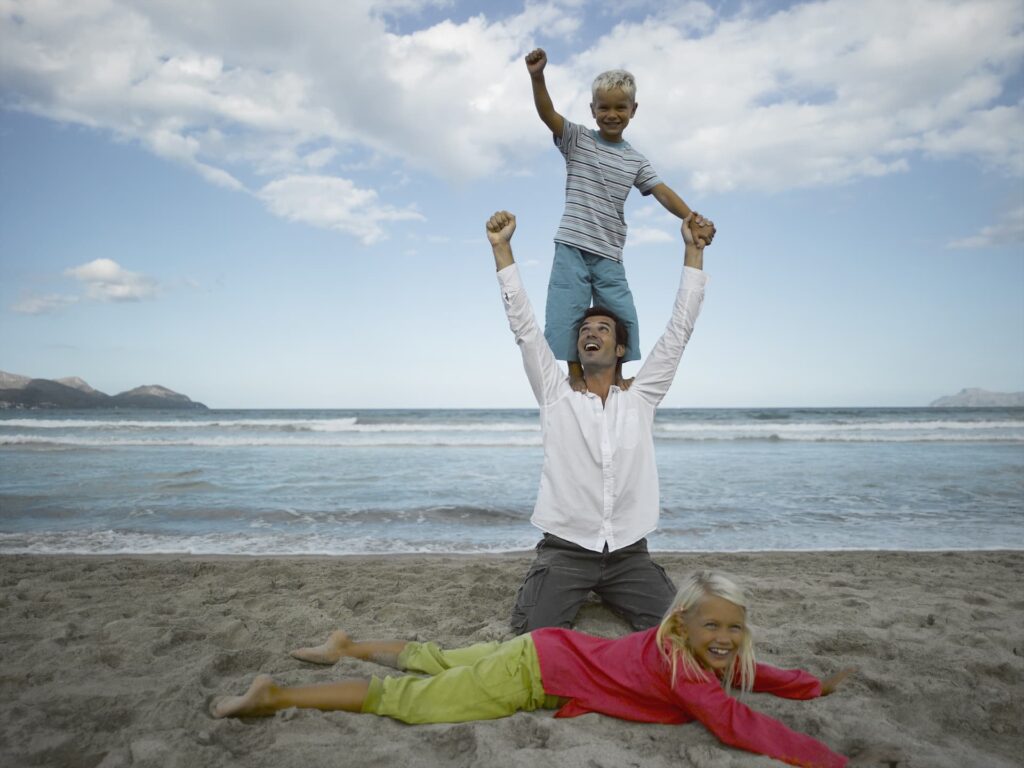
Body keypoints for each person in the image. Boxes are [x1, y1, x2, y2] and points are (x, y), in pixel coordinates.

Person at [211, 571, 855, 768]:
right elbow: (739, 723)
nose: (724, 638)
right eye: (710, 626)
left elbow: (749, 675)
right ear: (679, 624)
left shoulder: (691, 649)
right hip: (530, 674)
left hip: (547, 645)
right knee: (410, 701)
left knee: (439, 658)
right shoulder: (685, 669)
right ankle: (276, 695)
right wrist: (829, 760)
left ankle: (347, 644)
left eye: (732, 628)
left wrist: (808, 685)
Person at [488, 208, 709, 633]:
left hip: (629, 554)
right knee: (534, 638)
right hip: (566, 551)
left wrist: (693, 252)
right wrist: (503, 250)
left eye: (604, 328)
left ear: (621, 349)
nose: (591, 333)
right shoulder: (555, 394)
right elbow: (525, 329)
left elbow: (679, 332)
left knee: (678, 637)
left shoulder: (641, 397)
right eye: (585, 328)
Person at [525, 47, 716, 390]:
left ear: (633, 110)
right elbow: (547, 114)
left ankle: (619, 374)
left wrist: (691, 217)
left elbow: (662, 191)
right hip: (572, 243)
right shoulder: (578, 139)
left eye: (620, 108)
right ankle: (576, 373)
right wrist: (538, 76)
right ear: (593, 109)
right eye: (604, 107)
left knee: (622, 311)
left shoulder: (635, 160)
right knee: (568, 307)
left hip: (610, 252)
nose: (611, 114)